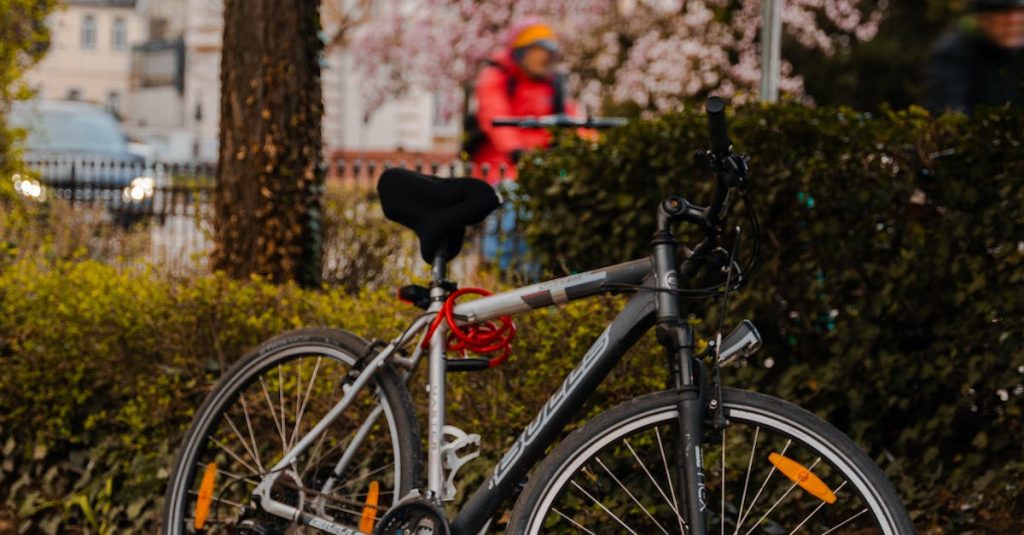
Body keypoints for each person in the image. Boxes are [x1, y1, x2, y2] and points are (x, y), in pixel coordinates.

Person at [466, 20, 581, 183]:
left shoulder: (553, 85)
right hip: (500, 168)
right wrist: (517, 152)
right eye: (539, 50)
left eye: (549, 53)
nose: (546, 58)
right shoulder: (497, 77)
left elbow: (573, 121)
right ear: (521, 52)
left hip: (544, 169)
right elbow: (494, 116)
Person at [924, 0, 1024, 114]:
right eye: (1003, 12)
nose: (1013, 20)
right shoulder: (953, 54)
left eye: (1020, 11)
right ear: (982, 17)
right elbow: (948, 112)